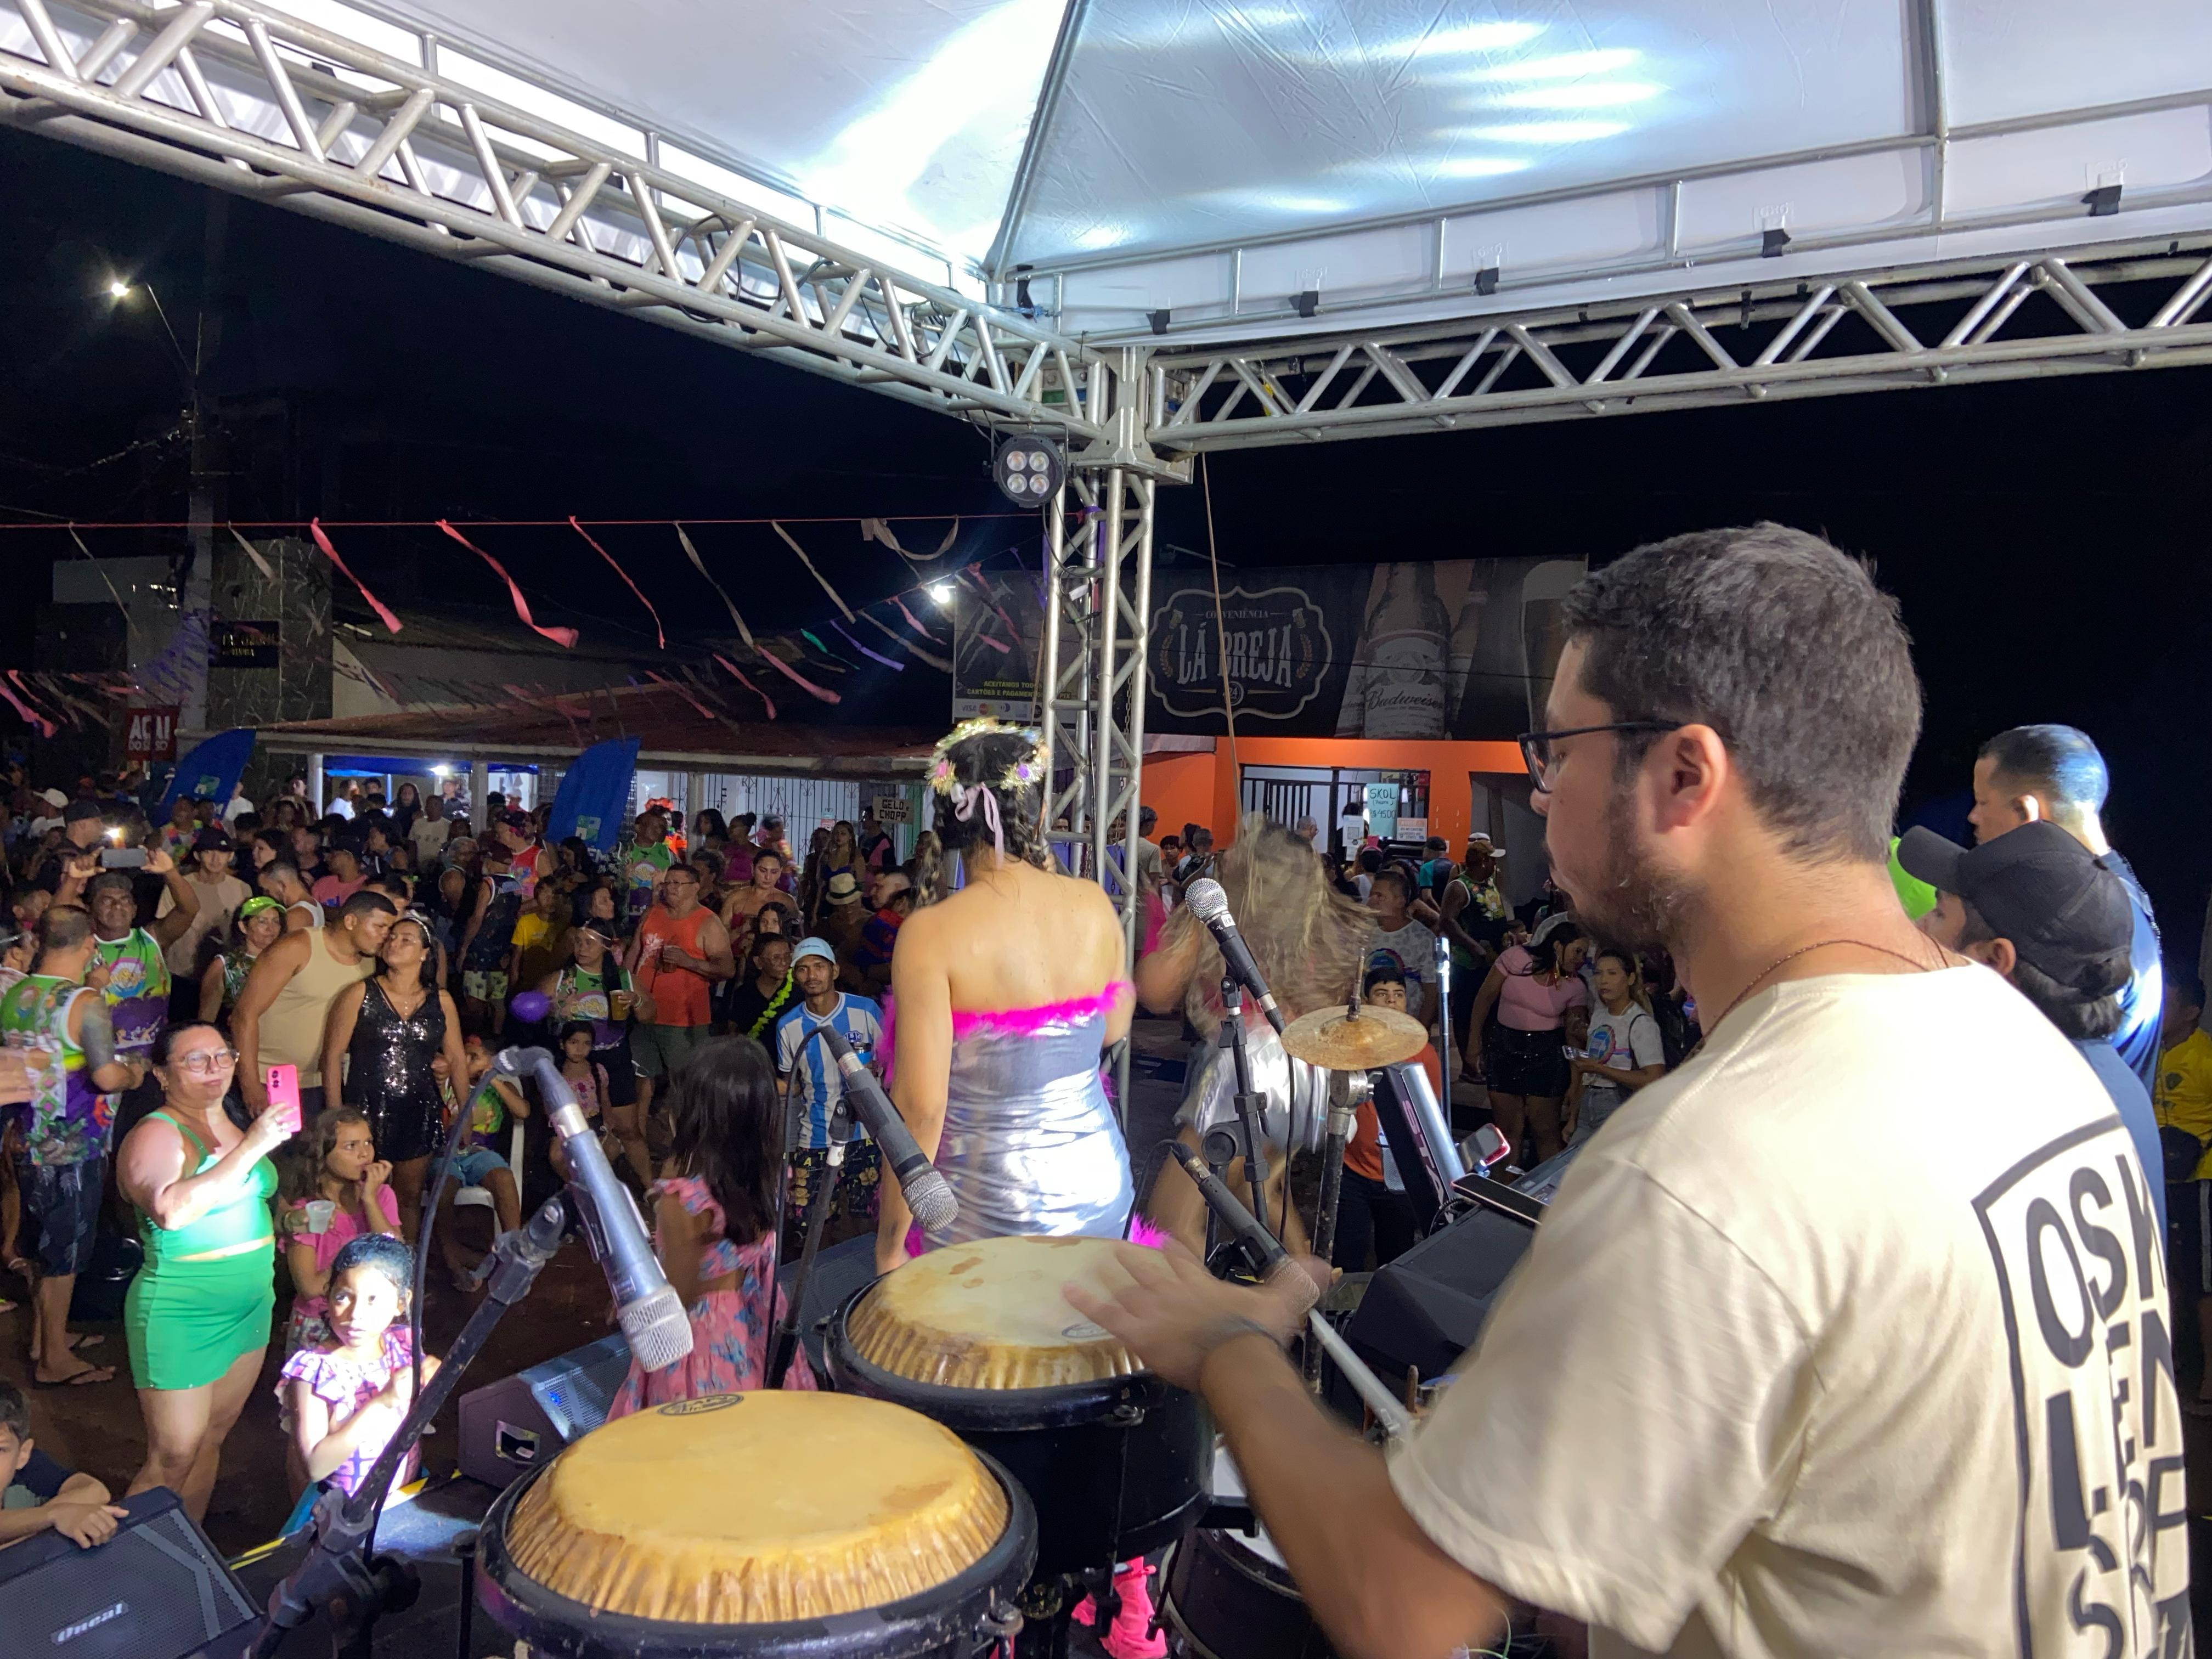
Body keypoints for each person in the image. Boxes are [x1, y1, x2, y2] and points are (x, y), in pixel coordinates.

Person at [1068, 522, 2186, 1659]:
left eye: (1559, 749)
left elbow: (1400, 1601)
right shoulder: (2024, 1043)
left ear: (1685, 776)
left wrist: (1227, 1347)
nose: (1541, 790)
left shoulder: (1716, 1162)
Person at [874, 723, 1139, 1272]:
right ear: (1039, 816)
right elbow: (1112, 1029)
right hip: (1097, 1182)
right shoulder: (1093, 904)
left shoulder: (930, 934)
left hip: (988, 1201)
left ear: (945, 822)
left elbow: (921, 1111)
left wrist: (892, 1240)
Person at [1900, 821, 2163, 1234]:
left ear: (1995, 960)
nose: (1917, 927)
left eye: (1938, 913)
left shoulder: (1996, 1106)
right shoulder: (2117, 1086)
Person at [1138, 816, 1372, 1259]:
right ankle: (1305, 1297)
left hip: (1253, 1067)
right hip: (1303, 1068)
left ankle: (1229, 1320)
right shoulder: (1311, 933)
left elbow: (1155, 991)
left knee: (1170, 1220)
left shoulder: (1217, 915)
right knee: (1258, 1191)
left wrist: (1166, 920)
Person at [116, 1023, 295, 1524]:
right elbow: (170, 1211)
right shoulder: (157, 1132)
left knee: (211, 1438)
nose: (214, 1068)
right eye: (195, 1060)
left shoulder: (235, 1126)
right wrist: (253, 1147)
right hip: (183, 1310)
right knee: (171, 1457)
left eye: (222, 1056)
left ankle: (187, 1552)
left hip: (250, 1303)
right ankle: (123, 1576)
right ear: (162, 1075)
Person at [607, 1039, 815, 1413]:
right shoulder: (769, 1174)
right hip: (758, 1317)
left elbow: (678, 1292)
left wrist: (632, 1299)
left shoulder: (682, 1196)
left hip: (705, 1337)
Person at [1970, 724, 2162, 1092]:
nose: (1973, 818)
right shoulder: (2117, 897)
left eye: (1982, 802)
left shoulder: (2092, 921)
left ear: (2027, 812)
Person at [1, 905, 138, 1386]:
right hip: (73, 1143)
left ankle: (45, 1337)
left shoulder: (17, 991)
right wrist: (137, 1072)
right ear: (89, 945)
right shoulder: (84, 1003)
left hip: (27, 1137)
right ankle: (54, 1358)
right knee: (65, 1256)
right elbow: (106, 1075)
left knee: (46, 1246)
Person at [277, 1233, 437, 1533]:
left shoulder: (401, 1348)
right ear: (327, 1297)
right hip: (343, 1522)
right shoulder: (316, 1371)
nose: (356, 1314)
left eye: (374, 1300)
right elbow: (316, 1467)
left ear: (402, 1303)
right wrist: (382, 1402)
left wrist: (432, 1379)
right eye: (343, 1297)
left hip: (400, 1501)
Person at [323, 911, 467, 1237]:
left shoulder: (440, 1001)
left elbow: (457, 1058)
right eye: (391, 938)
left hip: (419, 1110)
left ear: (424, 953)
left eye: (406, 940)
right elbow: (331, 1057)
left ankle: (406, 1266)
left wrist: (465, 1113)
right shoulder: (359, 993)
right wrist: (337, 1116)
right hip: (364, 1109)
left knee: (410, 1196)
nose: (394, 944)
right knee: (359, 1194)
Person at [232, 890, 397, 1121]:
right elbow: (244, 1014)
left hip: (321, 1082)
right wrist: (249, 1083)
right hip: (269, 1077)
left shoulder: (369, 964)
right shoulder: (298, 947)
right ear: (351, 921)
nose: (385, 936)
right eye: (380, 927)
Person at [776, 938, 884, 1252]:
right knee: (813, 1223)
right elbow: (792, 1086)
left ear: (834, 970)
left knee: (869, 1217)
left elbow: (888, 1059)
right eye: (804, 969)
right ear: (794, 976)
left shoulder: (865, 1012)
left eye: (820, 967)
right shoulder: (789, 1026)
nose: (812, 975)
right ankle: (823, 1284)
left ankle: (866, 1278)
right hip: (816, 1135)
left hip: (867, 1133)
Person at [1332, 966, 1438, 1272]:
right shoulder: (1349, 1046)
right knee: (1346, 1254)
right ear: (1366, 1001)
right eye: (1382, 994)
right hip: (1352, 1168)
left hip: (1401, 1171)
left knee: (1397, 1255)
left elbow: (1431, 1115)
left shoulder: (1424, 1053)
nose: (1392, 1001)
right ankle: (1339, 1318)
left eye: (1399, 995)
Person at [1466, 917, 1589, 1167]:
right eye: (1578, 951)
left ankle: (1547, 1199)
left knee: (1545, 1132)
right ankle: (1504, 1196)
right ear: (1558, 946)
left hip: (1546, 1054)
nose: (1581, 959)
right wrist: (1473, 1043)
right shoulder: (1516, 958)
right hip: (1505, 1047)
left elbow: (1573, 1035)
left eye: (1584, 954)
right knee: (1507, 1131)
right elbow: (1484, 998)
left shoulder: (1576, 986)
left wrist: (1576, 1083)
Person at [278, 1107, 399, 1352]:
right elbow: (310, 1288)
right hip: (319, 1322)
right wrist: (354, 1257)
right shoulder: (309, 1212)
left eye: (368, 1142)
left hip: (369, 1317)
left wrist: (370, 1201)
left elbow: (395, 1254)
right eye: (351, 1146)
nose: (365, 1154)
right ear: (322, 1155)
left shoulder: (381, 1196)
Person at [628, 859, 735, 1124]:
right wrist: (624, 987)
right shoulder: (653, 914)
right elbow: (633, 954)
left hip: (683, 1020)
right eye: (667, 883)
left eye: (678, 883)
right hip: (643, 1012)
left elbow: (727, 969)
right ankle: (639, 1135)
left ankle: (689, 1143)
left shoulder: (708, 922)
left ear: (695, 888)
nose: (670, 888)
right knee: (641, 1081)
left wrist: (690, 962)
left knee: (686, 1084)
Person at [2151, 971, 2212, 1409]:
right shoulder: (2153, 1052)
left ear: (2190, 1011)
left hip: (2198, 1184)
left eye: (2168, 1003)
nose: (2160, 1010)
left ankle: (2209, 1385)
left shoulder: (2205, 1058)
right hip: (2160, 1177)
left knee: (2201, 1283)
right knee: (2167, 1276)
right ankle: (2170, 1366)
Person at [88, 850, 199, 1060]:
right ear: (91, 909)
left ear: (135, 909)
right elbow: (54, 925)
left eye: (124, 900)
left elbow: (190, 910)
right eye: (107, 901)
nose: (117, 905)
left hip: (152, 1058)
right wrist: (73, 880)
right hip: (101, 1061)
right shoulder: (82, 946)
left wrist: (170, 872)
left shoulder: (152, 939)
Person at [0, 1379, 125, 1550]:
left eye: (0, 1450)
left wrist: (56, 1517)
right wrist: (52, 1517)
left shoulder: (30, 1468)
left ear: (23, 1454)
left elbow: (95, 1491)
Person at [1564, 947, 1666, 1146]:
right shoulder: (1599, 1015)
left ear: (1630, 979)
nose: (1603, 981)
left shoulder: (1640, 1023)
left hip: (1617, 1104)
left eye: (1612, 974)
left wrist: (1599, 1069)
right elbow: (1589, 1075)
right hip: (1589, 1104)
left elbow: (1653, 1078)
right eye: (1599, 973)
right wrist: (1574, 1118)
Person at [1438, 838, 1510, 1081]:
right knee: (1467, 1013)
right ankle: (1469, 1065)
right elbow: (1447, 921)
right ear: (1483, 862)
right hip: (1469, 963)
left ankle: (1488, 1062)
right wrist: (1473, 947)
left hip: (1494, 960)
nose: (1496, 866)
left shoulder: (1490, 883)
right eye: (1493, 861)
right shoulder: (1459, 887)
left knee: (1491, 1012)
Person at [160, 828, 250, 998]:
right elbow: (162, 931)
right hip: (181, 974)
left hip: (225, 974)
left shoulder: (242, 888)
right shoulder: (179, 887)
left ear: (230, 857)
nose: (215, 859)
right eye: (208, 852)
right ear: (197, 856)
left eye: (222, 853)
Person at [1363, 868, 1438, 1027]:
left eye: (1380, 896)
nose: (1373, 900)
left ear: (1400, 901)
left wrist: (1423, 1028)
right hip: (1369, 1024)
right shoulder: (1366, 934)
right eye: (1371, 895)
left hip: (1407, 1026)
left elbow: (1431, 990)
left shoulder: (1422, 939)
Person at [198, 894, 286, 1029]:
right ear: (243, 927)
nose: (271, 928)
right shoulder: (225, 965)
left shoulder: (287, 961)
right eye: (262, 922)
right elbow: (207, 1017)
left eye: (276, 922)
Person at [725, 930, 797, 1046]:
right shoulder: (744, 994)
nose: (784, 962)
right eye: (776, 958)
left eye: (787, 956)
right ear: (759, 962)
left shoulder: (798, 992)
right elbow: (734, 1033)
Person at [623, 810, 676, 929]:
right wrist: (623, 880)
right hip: (625, 918)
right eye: (655, 826)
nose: (660, 830)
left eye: (663, 827)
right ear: (639, 828)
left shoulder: (668, 855)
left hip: (659, 919)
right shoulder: (622, 851)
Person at [260, 858, 322, 933]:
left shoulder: (296, 915)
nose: (265, 895)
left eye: (267, 891)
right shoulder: (313, 904)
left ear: (281, 886)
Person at [407, 793, 449, 867]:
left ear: (442, 808)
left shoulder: (448, 826)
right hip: (419, 865)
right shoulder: (418, 823)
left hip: (438, 867)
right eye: (429, 805)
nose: (432, 808)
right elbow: (412, 844)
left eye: (435, 805)